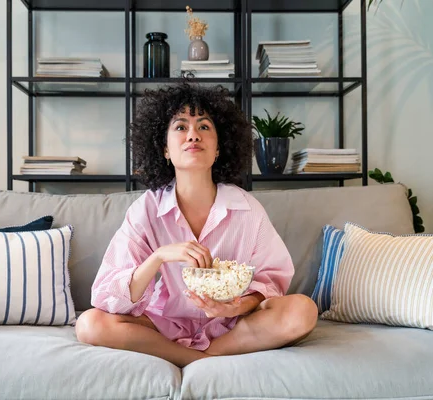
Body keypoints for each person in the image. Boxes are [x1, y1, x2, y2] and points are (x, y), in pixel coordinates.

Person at [75, 83, 317, 368]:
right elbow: (105, 294)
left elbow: (271, 282)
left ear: (218, 148)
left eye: (204, 127)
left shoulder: (247, 208)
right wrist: (159, 257)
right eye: (180, 127)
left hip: (231, 327)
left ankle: (212, 352)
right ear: (164, 149)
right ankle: (195, 359)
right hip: (162, 327)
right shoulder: (146, 209)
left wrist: (236, 306)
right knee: (89, 323)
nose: (193, 135)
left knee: (303, 310)